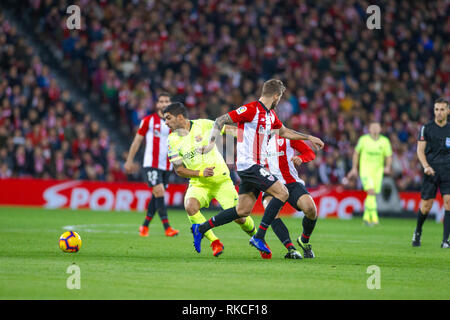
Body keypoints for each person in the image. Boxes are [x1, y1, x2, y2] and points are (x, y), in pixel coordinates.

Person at [191, 79, 324, 256]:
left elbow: (284, 132)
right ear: (276, 95)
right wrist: (210, 145)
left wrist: (309, 137)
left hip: (256, 167)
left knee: (242, 210)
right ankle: (259, 236)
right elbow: (220, 120)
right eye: (280, 97)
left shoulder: (270, 116)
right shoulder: (251, 109)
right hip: (248, 164)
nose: (280, 101)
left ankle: (201, 228)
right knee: (282, 193)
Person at [163, 102, 258, 257]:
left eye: (168, 118)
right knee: (190, 206)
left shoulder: (204, 125)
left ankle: (257, 237)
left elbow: (230, 130)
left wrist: (249, 136)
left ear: (180, 117)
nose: (165, 122)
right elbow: (179, 169)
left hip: (221, 180)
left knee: (241, 218)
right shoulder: (172, 140)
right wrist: (200, 173)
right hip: (199, 183)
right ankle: (215, 242)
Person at [124, 93, 179, 237]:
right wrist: (129, 160)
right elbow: (137, 141)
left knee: (157, 195)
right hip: (151, 164)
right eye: (161, 101)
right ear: (157, 105)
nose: (164, 103)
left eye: (167, 101)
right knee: (159, 192)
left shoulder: (175, 123)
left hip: (167, 165)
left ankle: (144, 226)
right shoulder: (148, 121)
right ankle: (167, 227)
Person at [261, 135, 317, 259]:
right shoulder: (258, 141)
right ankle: (291, 248)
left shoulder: (287, 136)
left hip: (291, 182)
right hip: (271, 184)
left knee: (311, 210)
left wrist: (301, 158)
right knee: (271, 213)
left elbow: (310, 153)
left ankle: (304, 240)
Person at [412, 98, 450, 248]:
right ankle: (418, 230)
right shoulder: (426, 128)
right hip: (431, 170)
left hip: (448, 171)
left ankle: (445, 240)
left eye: (441, 109)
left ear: (448, 111)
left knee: (448, 202)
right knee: (426, 206)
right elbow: (420, 150)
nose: (438, 113)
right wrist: (426, 166)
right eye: (436, 110)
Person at [347, 121, 392, 226]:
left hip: (378, 172)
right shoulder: (363, 140)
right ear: (369, 129)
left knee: (372, 195)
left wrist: (388, 167)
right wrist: (354, 168)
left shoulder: (385, 141)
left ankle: (366, 217)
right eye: (373, 127)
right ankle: (375, 218)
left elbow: (389, 155)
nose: (375, 129)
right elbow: (356, 153)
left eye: (377, 127)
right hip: (365, 171)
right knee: (371, 192)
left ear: (380, 129)